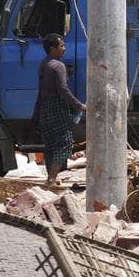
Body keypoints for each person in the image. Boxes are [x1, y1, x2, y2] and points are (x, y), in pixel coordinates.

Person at [30, 33, 85, 186]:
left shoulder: (44, 63)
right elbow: (63, 89)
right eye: (62, 46)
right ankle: (52, 179)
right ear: (52, 48)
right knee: (64, 143)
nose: (64, 49)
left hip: (45, 107)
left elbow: (41, 91)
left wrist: (36, 113)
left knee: (50, 145)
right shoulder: (58, 65)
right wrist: (79, 106)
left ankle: (51, 178)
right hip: (57, 108)